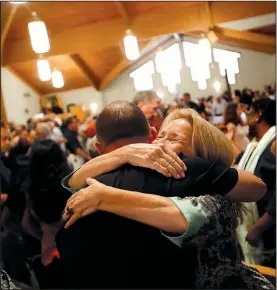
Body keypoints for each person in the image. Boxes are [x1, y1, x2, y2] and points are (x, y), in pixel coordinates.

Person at [57, 102, 268, 289]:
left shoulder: (207, 191)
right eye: (160, 136)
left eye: (175, 139)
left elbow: (183, 214)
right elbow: (72, 184)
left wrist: (106, 196)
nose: (160, 144)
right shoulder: (142, 175)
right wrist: (123, 154)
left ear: (204, 156)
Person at [236, 99, 276, 267]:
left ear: (259, 114)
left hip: (269, 232)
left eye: (249, 113)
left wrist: (258, 227)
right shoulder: (254, 147)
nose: (245, 120)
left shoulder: (274, 143)